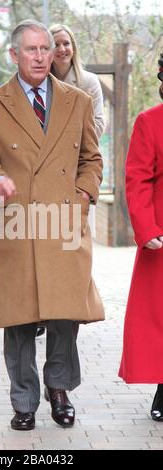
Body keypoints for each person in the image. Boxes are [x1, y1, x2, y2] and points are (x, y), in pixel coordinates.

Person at [0, 19, 104, 430]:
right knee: (20, 317)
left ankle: (59, 389)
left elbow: (92, 159)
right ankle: (24, 400)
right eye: (31, 50)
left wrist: (83, 195)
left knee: (65, 314)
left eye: (45, 48)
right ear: (14, 55)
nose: (41, 56)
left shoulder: (77, 101)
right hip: (18, 221)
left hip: (64, 219)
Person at [35, 24, 106, 338]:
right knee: (40, 245)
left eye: (66, 43)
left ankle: (67, 309)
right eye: (56, 44)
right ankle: (40, 310)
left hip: (75, 176)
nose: (62, 49)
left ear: (73, 47)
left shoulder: (88, 83)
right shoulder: (37, 83)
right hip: (40, 178)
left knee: (71, 249)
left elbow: (98, 125)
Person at [119, 56, 163, 421]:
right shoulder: (149, 122)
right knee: (159, 319)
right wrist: (147, 228)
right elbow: (137, 180)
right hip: (162, 238)